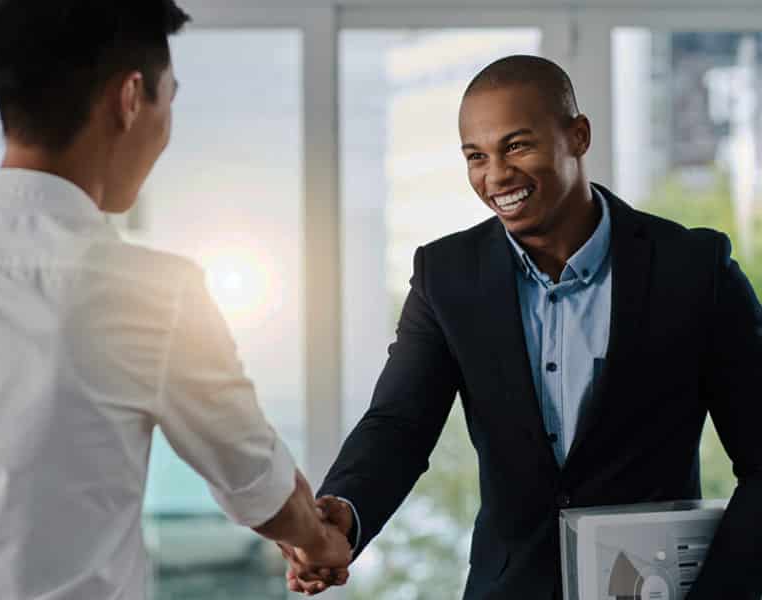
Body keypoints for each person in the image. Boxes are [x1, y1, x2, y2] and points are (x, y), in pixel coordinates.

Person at [281, 55, 762, 598]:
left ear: (577, 136)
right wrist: (345, 512)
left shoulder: (694, 268)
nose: (496, 176)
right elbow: (398, 425)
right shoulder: (446, 276)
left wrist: (721, 588)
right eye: (475, 156)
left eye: (516, 146)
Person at [0, 1, 350, 598]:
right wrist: (316, 540)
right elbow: (257, 482)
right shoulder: (149, 294)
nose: (167, 130)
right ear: (130, 98)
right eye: (170, 99)